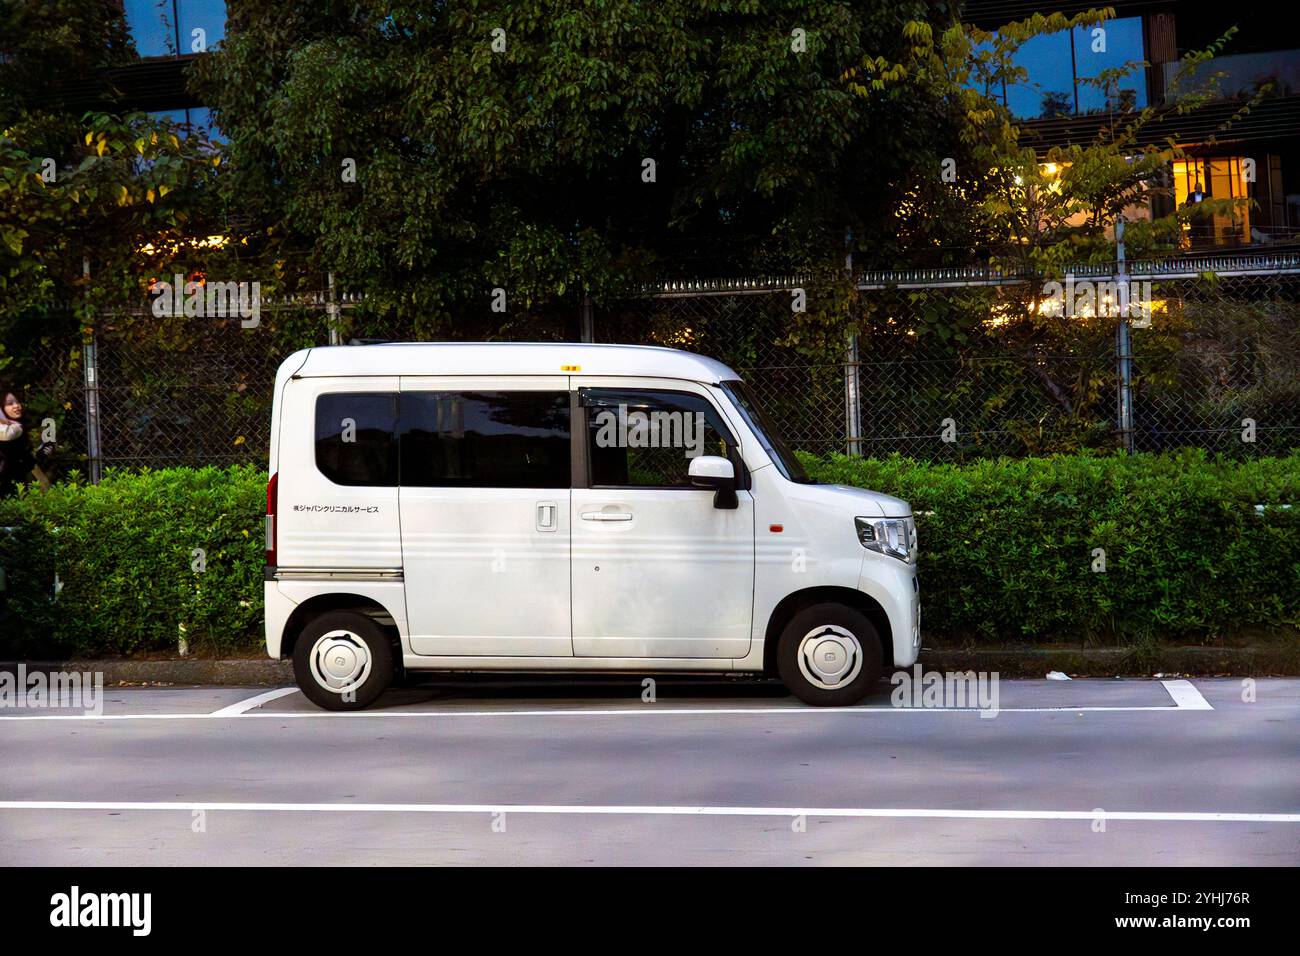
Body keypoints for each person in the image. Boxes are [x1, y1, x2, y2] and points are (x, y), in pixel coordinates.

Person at [0, 387, 53, 497]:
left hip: (25, 471)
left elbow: (49, 423)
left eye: (17, 402)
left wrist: (45, 447)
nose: (16, 406)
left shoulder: (22, 424)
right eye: (10, 403)